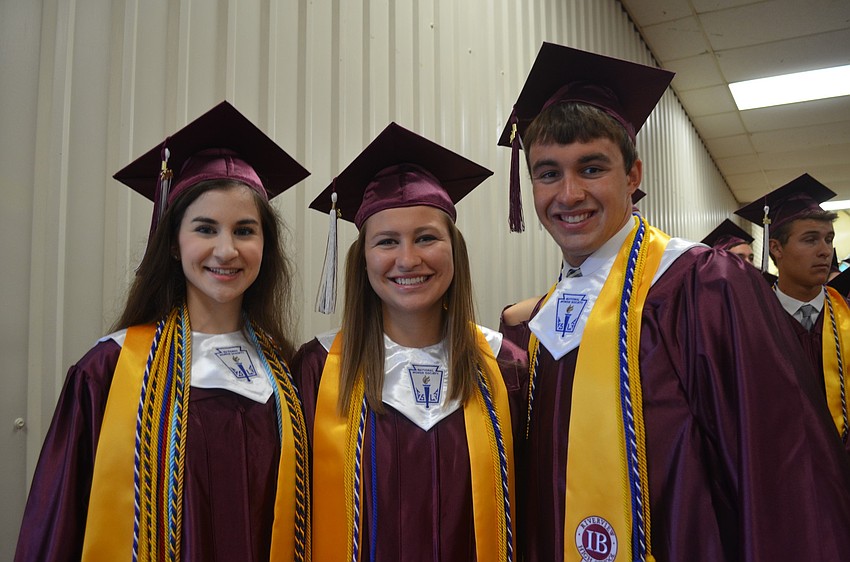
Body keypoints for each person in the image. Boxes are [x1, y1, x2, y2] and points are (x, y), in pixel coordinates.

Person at [497, 43, 850, 562]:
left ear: (633, 176)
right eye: (548, 173)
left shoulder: (705, 287)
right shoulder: (543, 319)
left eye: (591, 168)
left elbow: (781, 476)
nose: (568, 194)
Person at [14, 101, 312, 561]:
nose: (226, 250)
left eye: (245, 230)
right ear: (173, 244)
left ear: (264, 245)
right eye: (205, 229)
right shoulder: (110, 370)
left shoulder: (286, 373)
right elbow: (59, 525)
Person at [293, 122, 527, 561]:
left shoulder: (506, 368)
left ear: (454, 250)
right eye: (387, 242)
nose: (408, 259)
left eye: (426, 238)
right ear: (363, 260)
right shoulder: (316, 370)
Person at [737, 173, 850, 453]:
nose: (825, 251)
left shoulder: (846, 315)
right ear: (776, 248)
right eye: (810, 240)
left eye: (828, 239)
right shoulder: (750, 323)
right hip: (782, 465)